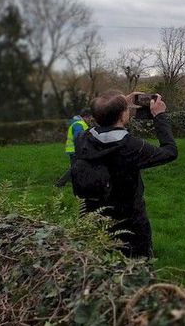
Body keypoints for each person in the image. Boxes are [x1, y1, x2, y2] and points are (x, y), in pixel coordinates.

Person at [71, 90, 177, 258]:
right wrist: (159, 116)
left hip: (93, 219)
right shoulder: (131, 147)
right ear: (122, 116)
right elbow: (170, 151)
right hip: (130, 226)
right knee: (135, 271)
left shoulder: (83, 140)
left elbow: (99, 126)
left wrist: (115, 105)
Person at [55, 107, 93, 187]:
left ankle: (73, 182)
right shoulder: (79, 124)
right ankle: (60, 183)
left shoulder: (78, 123)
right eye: (90, 118)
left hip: (73, 149)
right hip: (75, 150)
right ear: (86, 117)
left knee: (75, 168)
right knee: (75, 168)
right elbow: (78, 138)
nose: (91, 119)